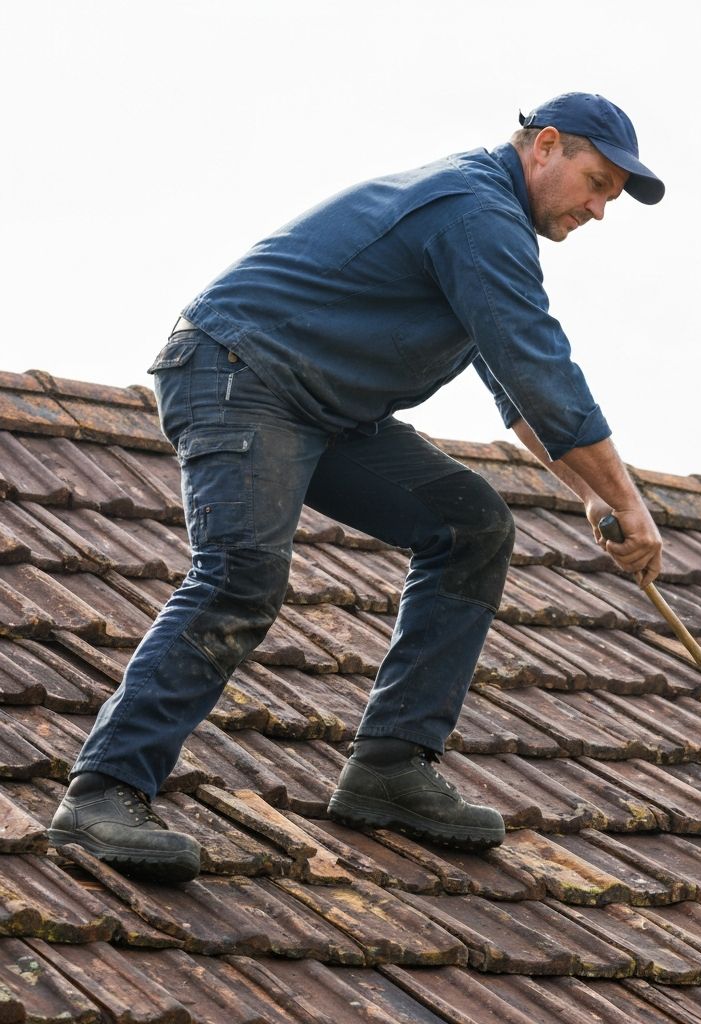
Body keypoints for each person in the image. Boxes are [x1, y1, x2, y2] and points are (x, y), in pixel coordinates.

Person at [48, 92, 665, 882]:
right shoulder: (476, 213)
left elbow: (513, 384)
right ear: (545, 146)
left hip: (327, 408)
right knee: (242, 573)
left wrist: (585, 487)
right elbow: (542, 369)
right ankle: (103, 791)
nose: (601, 209)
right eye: (599, 182)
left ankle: (390, 768)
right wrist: (626, 501)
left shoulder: (489, 227)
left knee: (470, 525)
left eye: (613, 194)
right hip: (241, 371)